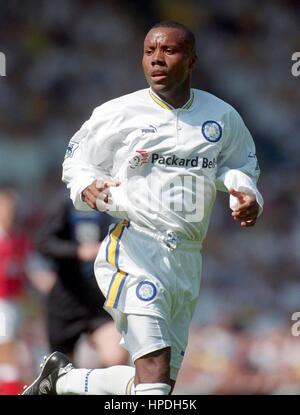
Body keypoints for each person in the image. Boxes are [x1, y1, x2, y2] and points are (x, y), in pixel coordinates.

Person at [22, 20, 263, 396]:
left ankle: (64, 380)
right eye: (150, 52)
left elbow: (240, 165)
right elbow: (77, 161)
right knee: (154, 368)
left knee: (155, 384)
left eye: (169, 51)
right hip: (135, 251)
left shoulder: (222, 117)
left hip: (187, 261)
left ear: (192, 60)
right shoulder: (119, 113)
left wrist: (245, 193)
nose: (157, 59)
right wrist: (87, 186)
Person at [35, 189, 128, 367]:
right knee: (61, 368)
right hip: (67, 299)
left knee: (116, 358)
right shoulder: (64, 204)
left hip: (100, 298)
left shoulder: (115, 204)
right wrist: (78, 251)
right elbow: (44, 243)